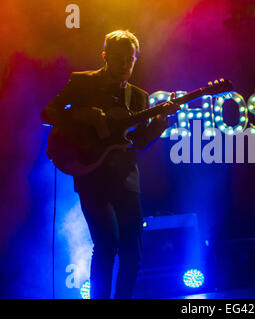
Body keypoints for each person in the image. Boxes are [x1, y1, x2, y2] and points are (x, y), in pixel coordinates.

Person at [41, 30, 172, 298]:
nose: (125, 65)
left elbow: (139, 141)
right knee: (106, 243)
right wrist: (81, 114)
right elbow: (47, 114)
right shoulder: (82, 83)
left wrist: (159, 124)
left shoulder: (138, 97)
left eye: (130, 60)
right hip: (91, 176)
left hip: (126, 179)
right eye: (118, 59)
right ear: (104, 56)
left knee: (132, 253)